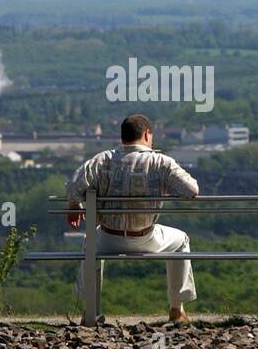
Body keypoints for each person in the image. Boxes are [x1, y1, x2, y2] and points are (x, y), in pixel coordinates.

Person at [66, 113, 199, 322]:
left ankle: (91, 311)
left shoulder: (101, 160)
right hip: (145, 238)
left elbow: (73, 187)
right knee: (181, 240)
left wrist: (75, 205)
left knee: (89, 242)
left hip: (108, 238)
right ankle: (176, 309)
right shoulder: (161, 162)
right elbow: (192, 190)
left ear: (123, 136)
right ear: (147, 134)